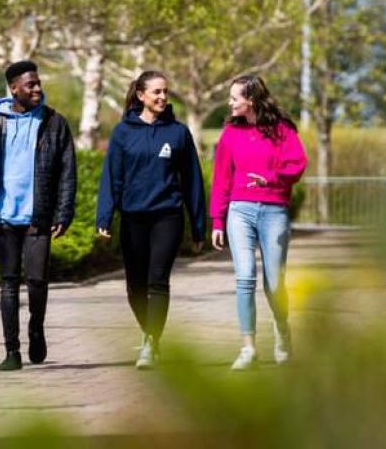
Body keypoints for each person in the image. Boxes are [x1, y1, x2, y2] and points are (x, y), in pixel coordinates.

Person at [0, 60, 77, 371]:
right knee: (8, 282)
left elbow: (67, 173)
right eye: (30, 85)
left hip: (37, 216)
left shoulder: (55, 123)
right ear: (14, 88)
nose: (37, 89)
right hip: (3, 216)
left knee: (38, 281)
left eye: (38, 83)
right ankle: (11, 350)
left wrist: (63, 212)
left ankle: (36, 330)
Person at [96, 70, 206, 370]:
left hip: (167, 217)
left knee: (158, 281)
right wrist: (104, 216)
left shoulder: (178, 133)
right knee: (135, 288)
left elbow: (193, 182)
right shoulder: (122, 133)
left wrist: (199, 226)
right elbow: (111, 178)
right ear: (141, 95)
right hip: (133, 218)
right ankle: (150, 332)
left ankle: (150, 342)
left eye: (165, 92)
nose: (162, 97)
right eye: (156, 92)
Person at [210, 74, 307, 371]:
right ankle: (248, 348)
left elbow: (298, 164)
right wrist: (217, 219)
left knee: (274, 282)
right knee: (245, 279)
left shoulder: (282, 130)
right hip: (239, 211)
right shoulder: (229, 134)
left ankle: (281, 329)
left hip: (274, 211)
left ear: (250, 100)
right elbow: (221, 178)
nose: (230, 103)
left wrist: (272, 178)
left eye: (234, 98)